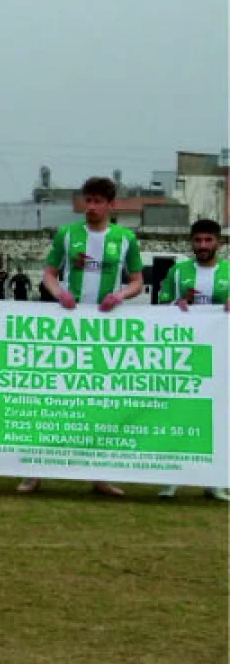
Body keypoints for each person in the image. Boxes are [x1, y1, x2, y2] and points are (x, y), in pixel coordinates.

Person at [18, 176, 143, 496]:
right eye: (88, 200)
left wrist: (120, 295)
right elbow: (49, 274)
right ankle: (35, 471)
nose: (91, 207)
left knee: (101, 402)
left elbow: (137, 281)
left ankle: (99, 474)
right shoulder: (67, 234)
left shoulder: (125, 238)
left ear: (111, 205)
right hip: (68, 327)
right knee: (53, 398)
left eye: (98, 201)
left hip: (103, 330)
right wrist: (59, 293)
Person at [156, 219, 229, 500]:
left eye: (208, 240)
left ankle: (215, 481)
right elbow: (161, 306)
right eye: (198, 240)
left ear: (218, 243)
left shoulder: (229, 271)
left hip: (222, 356)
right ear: (191, 242)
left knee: (219, 417)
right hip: (185, 356)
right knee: (181, 415)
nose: (202, 245)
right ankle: (173, 478)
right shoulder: (178, 272)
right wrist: (176, 305)